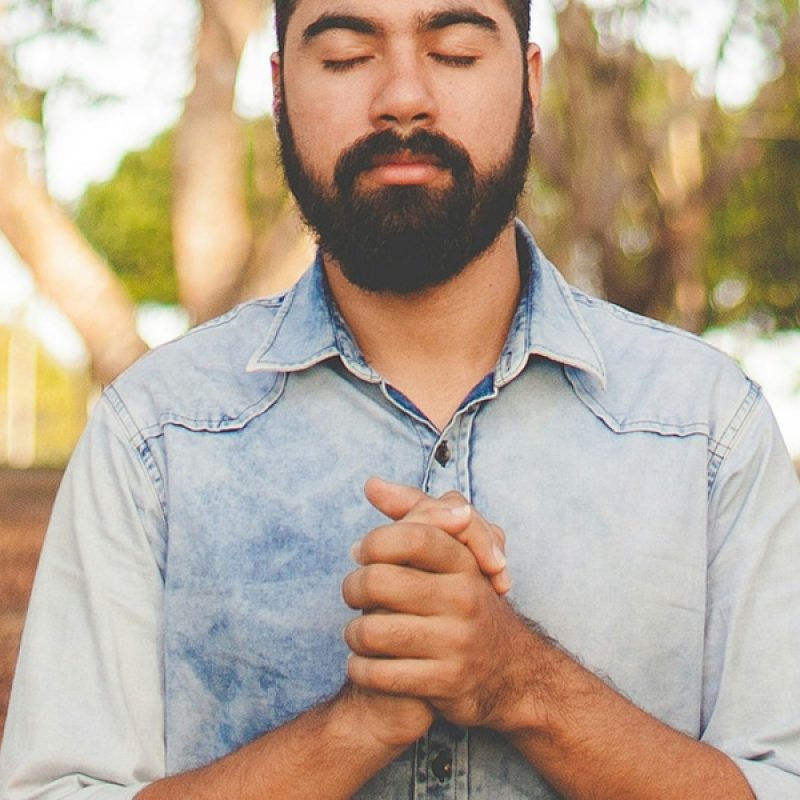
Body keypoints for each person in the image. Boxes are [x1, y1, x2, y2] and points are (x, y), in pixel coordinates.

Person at [1, 0, 799, 797]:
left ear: (528, 80)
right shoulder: (154, 438)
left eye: (454, 52)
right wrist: (355, 728)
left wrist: (523, 683)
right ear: (278, 91)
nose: (403, 97)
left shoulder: (708, 431)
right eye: (348, 56)